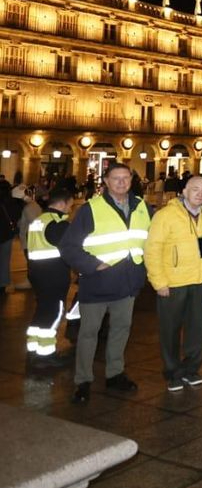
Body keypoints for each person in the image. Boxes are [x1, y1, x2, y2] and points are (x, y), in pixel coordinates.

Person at [58, 163, 149, 404]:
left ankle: (115, 374)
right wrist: (92, 265)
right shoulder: (91, 209)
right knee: (89, 333)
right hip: (98, 283)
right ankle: (83, 380)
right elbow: (68, 247)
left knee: (121, 330)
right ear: (106, 182)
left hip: (128, 283)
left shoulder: (141, 207)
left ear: (131, 180)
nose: (121, 182)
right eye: (115, 178)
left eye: (125, 178)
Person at [145, 174, 202, 391]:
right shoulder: (165, 215)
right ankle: (173, 371)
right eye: (195, 189)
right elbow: (152, 249)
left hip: (200, 279)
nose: (200, 194)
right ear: (184, 191)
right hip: (173, 282)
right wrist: (159, 282)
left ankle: (192, 368)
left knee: (196, 327)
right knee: (170, 329)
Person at [24, 187, 75, 368]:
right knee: (54, 312)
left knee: (42, 311)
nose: (70, 209)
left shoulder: (40, 220)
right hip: (53, 275)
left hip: (37, 273)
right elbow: (70, 249)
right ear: (61, 203)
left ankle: (33, 348)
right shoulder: (57, 224)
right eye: (70, 205)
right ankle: (46, 355)